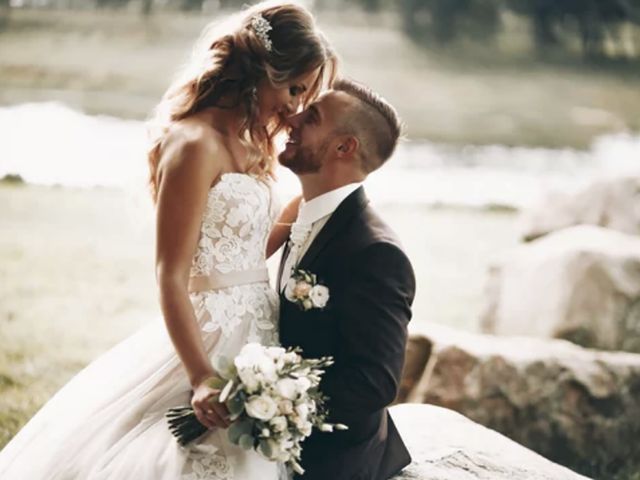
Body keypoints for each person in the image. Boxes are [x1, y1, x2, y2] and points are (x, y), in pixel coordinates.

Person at [0, 2, 336, 479]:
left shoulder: (252, 143)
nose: (295, 106)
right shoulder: (193, 143)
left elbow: (246, 251)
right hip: (207, 334)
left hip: (257, 332)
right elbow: (172, 273)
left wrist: (317, 197)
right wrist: (200, 374)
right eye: (294, 87)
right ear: (263, 69)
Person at [277, 78, 416, 480]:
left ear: (344, 147)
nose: (293, 117)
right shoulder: (303, 216)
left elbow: (375, 382)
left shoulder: (376, 253)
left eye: (312, 117)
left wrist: (275, 403)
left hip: (333, 457)